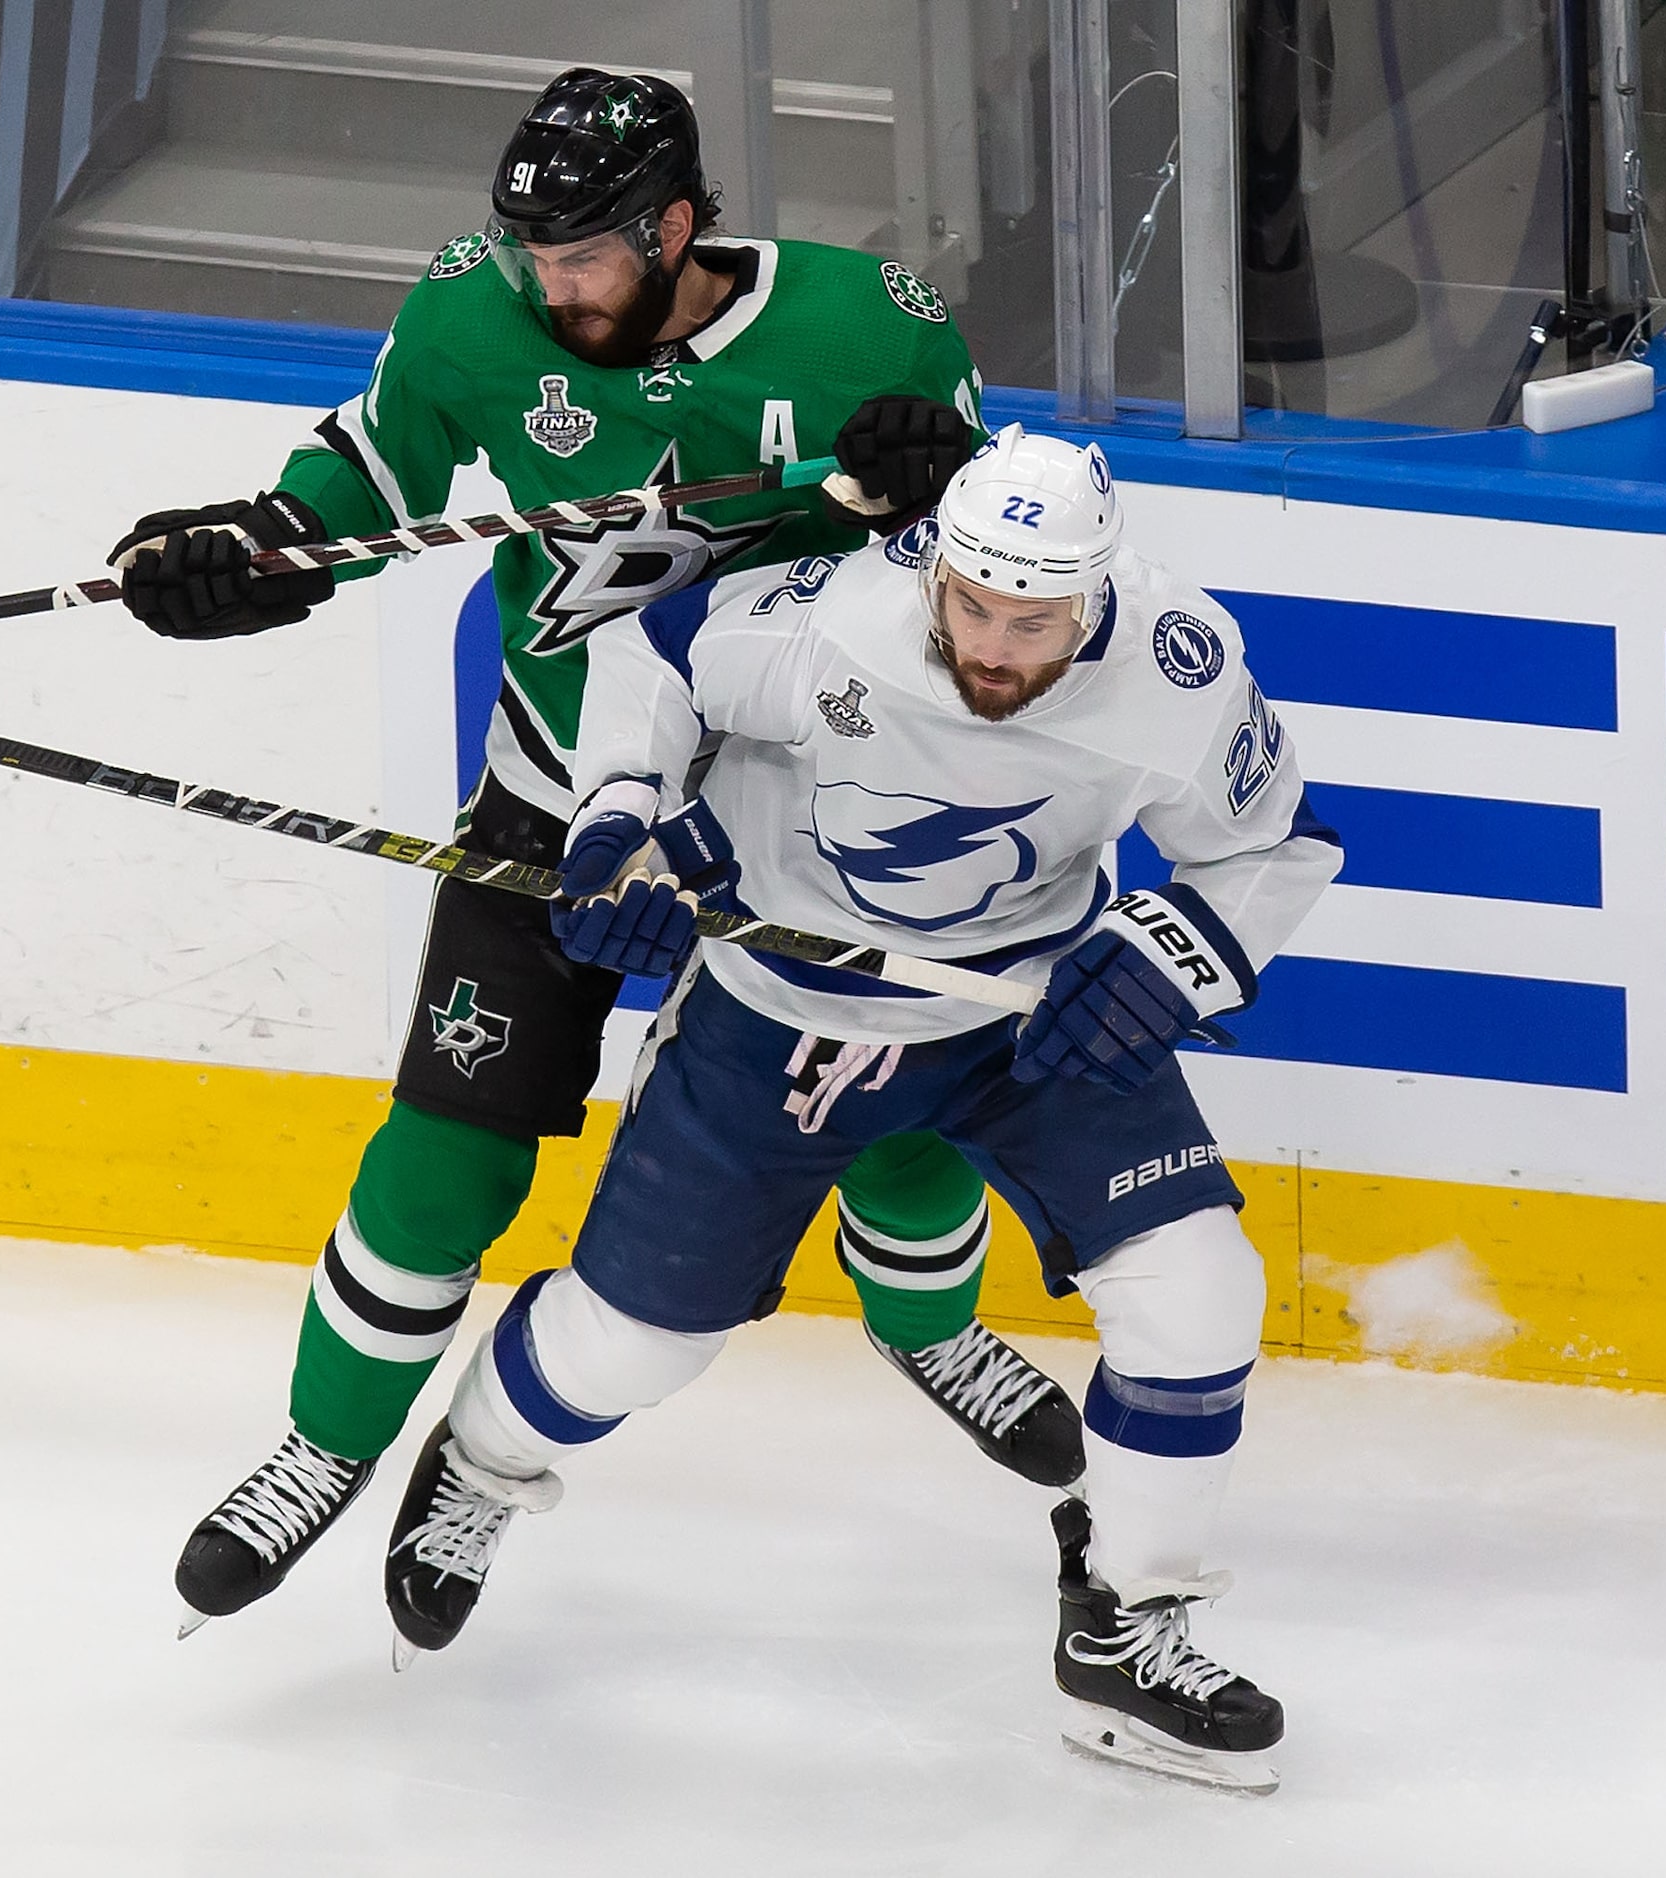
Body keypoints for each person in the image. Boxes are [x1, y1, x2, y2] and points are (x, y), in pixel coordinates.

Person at [116, 69, 1086, 1634]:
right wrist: (254, 547)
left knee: (902, 1121)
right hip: (561, 799)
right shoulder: (466, 317)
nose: (547, 287)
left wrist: (935, 488)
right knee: (446, 1150)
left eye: (581, 258)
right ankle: (324, 1444)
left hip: (800, 827)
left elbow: (982, 578)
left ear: (680, 227)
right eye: (529, 258)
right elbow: (363, 478)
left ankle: (930, 1327)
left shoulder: (870, 326)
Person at [384, 427, 1343, 1795]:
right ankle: (480, 1461)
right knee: (633, 1349)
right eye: (973, 605)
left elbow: (1275, 841)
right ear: (933, 566)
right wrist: (617, 821)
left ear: (1097, 590)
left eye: (1036, 619)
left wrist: (1171, 952)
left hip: (1025, 1012)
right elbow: (646, 654)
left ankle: (1128, 1628)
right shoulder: (833, 621)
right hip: (784, 1006)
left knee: (1198, 1288)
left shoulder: (1177, 670)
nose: (997, 646)